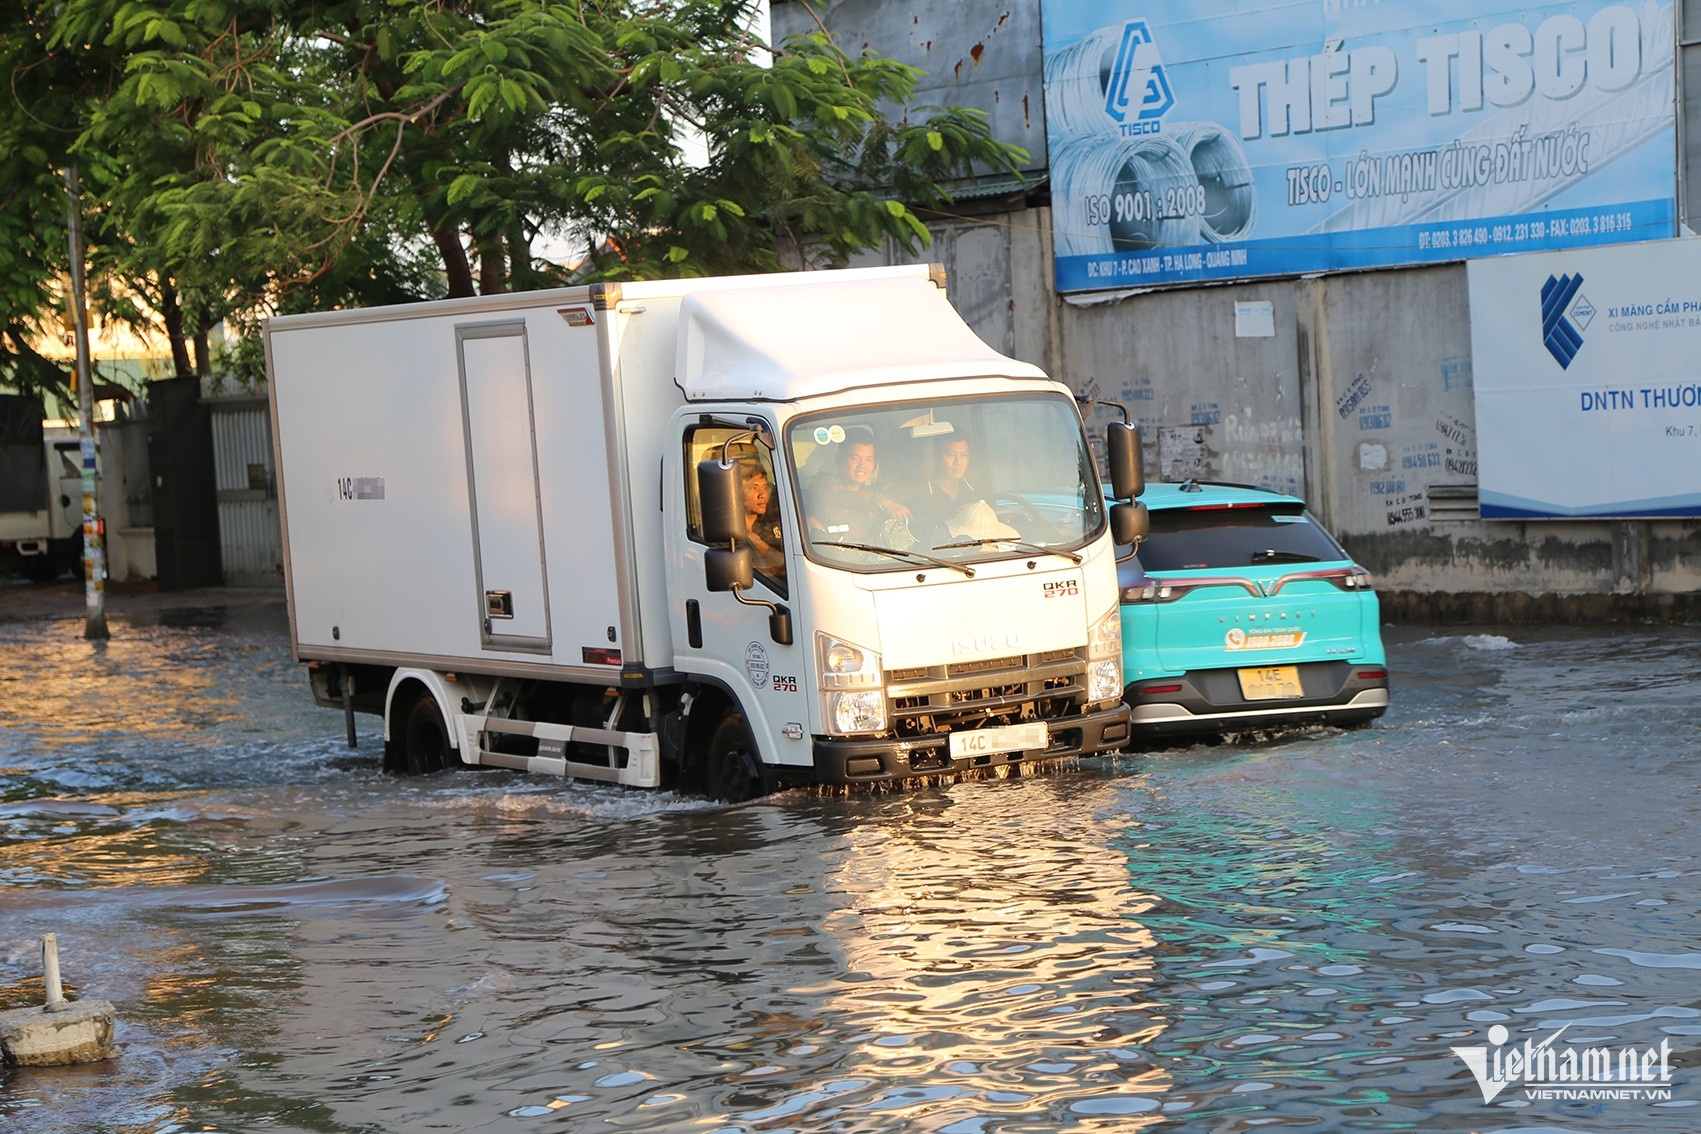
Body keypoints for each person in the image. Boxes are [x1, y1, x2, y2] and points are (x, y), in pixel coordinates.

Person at [805, 429, 909, 545]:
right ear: (838, 458)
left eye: (868, 459)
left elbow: (907, 493)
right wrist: (882, 503)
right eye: (854, 458)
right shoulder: (822, 481)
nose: (862, 466)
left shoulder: (873, 491)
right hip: (831, 559)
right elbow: (840, 496)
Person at [738, 461, 786, 574]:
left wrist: (751, 538)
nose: (762, 495)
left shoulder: (778, 520)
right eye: (754, 488)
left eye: (764, 487)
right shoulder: (723, 528)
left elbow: (787, 563)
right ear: (735, 491)